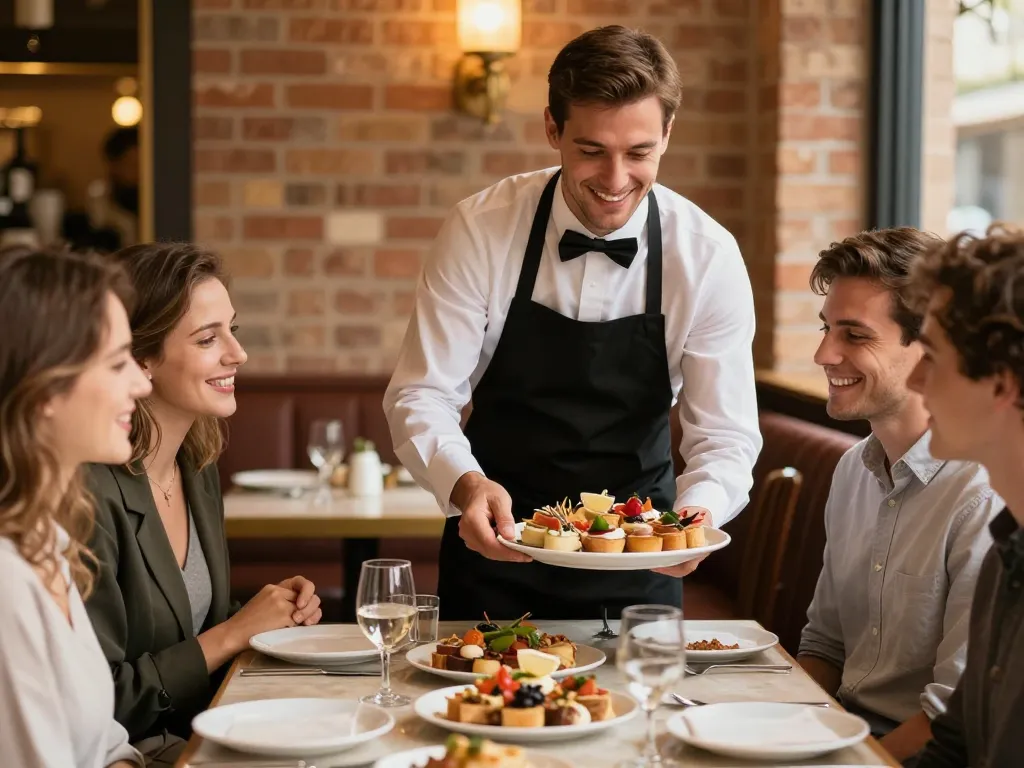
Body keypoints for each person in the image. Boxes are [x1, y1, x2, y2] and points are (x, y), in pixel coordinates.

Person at [384, 25, 761, 620]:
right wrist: (465, 486)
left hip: (641, 558)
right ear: (552, 129)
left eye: (639, 153)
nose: (615, 182)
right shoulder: (481, 229)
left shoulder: (707, 256)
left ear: (667, 134)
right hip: (498, 548)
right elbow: (422, 394)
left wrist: (701, 511)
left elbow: (726, 435)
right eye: (591, 151)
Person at [83, 243, 323, 765]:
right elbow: (100, 702)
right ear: (140, 355)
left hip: (208, 732)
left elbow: (191, 627)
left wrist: (271, 612)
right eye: (208, 338)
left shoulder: (197, 467)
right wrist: (236, 632)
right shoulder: (89, 494)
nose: (237, 353)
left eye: (233, 330)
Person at [796, 228, 1002, 763]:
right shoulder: (851, 470)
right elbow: (825, 645)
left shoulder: (984, 496)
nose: (823, 353)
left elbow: (952, 717)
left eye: (855, 336)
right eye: (826, 329)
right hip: (844, 733)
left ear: (929, 347)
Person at [0, 247, 148, 767]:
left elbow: (103, 742)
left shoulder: (46, 539)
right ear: (44, 388)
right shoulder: (7, 582)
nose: (141, 382)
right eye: (117, 363)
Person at [908, 226, 1024, 767]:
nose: (915, 381)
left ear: (1002, 384)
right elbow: (952, 750)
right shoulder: (1008, 554)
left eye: (932, 354)